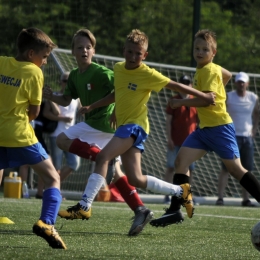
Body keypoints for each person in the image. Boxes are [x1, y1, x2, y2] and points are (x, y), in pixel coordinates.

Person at [43, 28, 216, 232]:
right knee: (135, 178)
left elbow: (176, 85)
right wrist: (95, 106)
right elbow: (118, 93)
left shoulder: (146, 73)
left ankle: (84, 206)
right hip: (124, 126)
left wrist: (203, 97)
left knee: (102, 158)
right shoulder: (118, 68)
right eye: (130, 52)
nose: (134, 57)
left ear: (145, 55)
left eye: (138, 53)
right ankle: (180, 191)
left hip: (135, 126)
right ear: (123, 50)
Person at [43, 28, 162, 236]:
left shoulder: (102, 73)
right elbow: (66, 100)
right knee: (116, 173)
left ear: (94, 51)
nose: (84, 51)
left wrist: (116, 111)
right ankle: (140, 209)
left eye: (88, 47)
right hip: (94, 125)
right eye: (80, 47)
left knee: (62, 140)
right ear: (72, 51)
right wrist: (51, 96)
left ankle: (102, 163)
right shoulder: (73, 76)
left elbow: (122, 90)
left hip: (105, 125)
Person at [150, 29, 260, 228]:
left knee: (236, 170)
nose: (199, 52)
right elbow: (227, 75)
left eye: (205, 49)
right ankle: (175, 210)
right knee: (181, 161)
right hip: (205, 130)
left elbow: (207, 102)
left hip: (220, 128)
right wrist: (220, 87)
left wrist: (181, 102)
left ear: (213, 53)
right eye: (197, 48)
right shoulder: (208, 69)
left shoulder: (208, 70)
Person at [0, 27, 66, 249]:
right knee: (52, 178)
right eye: (44, 57)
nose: (45, 62)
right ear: (31, 54)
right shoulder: (34, 72)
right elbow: (35, 112)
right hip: (20, 134)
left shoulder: (2, 63)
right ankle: (47, 223)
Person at [216, 71, 259, 206]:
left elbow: (257, 113)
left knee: (246, 169)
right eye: (239, 81)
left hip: (247, 137)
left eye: (243, 82)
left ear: (247, 83)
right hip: (231, 137)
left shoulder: (253, 97)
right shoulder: (229, 96)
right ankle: (220, 197)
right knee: (226, 168)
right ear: (235, 83)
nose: (241, 84)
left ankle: (245, 199)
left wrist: (255, 129)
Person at [164, 75, 198, 204]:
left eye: (187, 83)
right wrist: (169, 138)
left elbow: (198, 122)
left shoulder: (195, 101)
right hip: (176, 141)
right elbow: (168, 121)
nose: (185, 85)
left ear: (191, 85)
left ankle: (187, 194)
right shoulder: (174, 100)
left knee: (190, 169)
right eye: (182, 83)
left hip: (191, 143)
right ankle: (167, 194)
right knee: (171, 167)